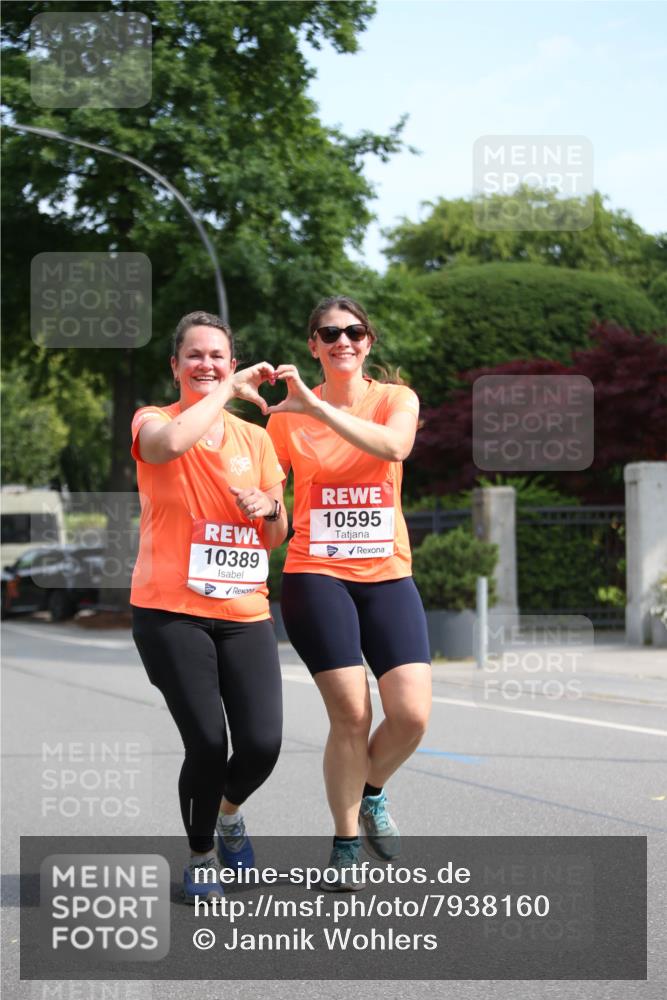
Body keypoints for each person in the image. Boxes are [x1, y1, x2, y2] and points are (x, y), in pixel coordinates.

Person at [266, 296, 432, 890]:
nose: (343, 341)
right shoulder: (284, 417)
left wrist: (317, 407)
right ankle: (343, 844)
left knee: (411, 714)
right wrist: (265, 505)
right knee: (352, 714)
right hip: (317, 572)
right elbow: (272, 492)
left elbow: (394, 448)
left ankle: (372, 792)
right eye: (329, 333)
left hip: (387, 572)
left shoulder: (395, 399)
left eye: (354, 332)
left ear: (369, 341)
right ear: (313, 344)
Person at [130, 310, 287, 903]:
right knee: (206, 741)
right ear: (176, 367)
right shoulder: (153, 420)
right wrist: (229, 389)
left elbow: (279, 532)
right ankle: (200, 858)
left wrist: (267, 510)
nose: (207, 364)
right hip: (170, 611)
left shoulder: (257, 440)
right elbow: (169, 445)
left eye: (218, 356)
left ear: (229, 359)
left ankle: (229, 815)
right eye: (194, 355)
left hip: (244, 612)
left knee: (261, 745)